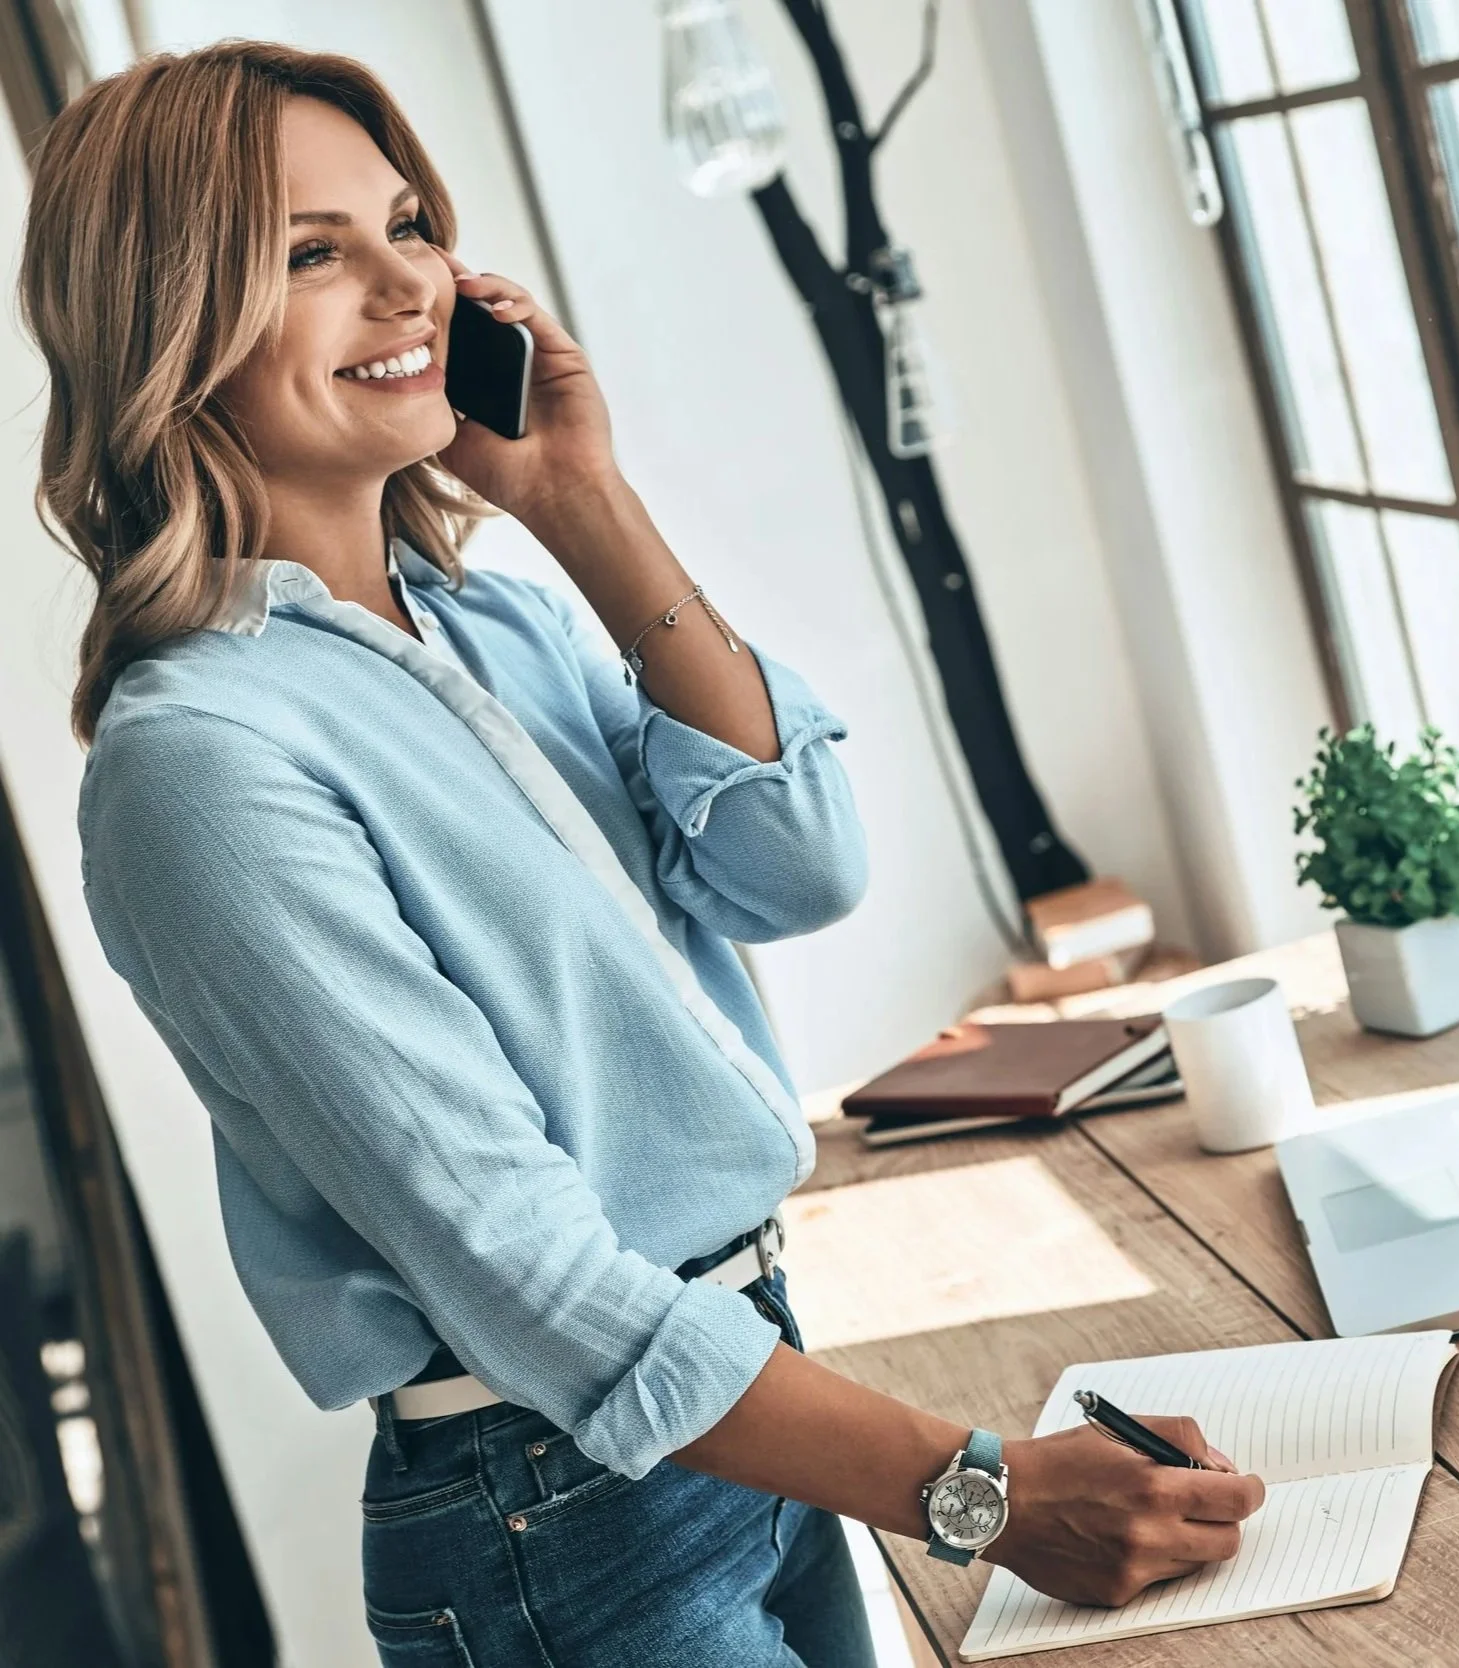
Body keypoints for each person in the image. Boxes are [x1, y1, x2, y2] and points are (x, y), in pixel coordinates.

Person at [19, 41, 1265, 1668]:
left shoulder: (500, 619)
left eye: (409, 226)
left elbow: (798, 865)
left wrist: (585, 504)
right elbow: (530, 1275)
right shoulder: (201, 764)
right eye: (313, 253)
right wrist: (980, 1494)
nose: (408, 284)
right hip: (558, 1510)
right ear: (166, 324)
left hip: (754, 1405)